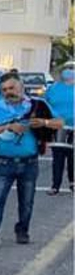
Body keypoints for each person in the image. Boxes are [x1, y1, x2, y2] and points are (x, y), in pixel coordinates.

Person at [0, 73, 60, 247]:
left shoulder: (37, 104)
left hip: (29, 162)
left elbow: (59, 122)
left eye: (12, 88)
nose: (8, 92)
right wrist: (9, 127)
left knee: (27, 201)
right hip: (3, 162)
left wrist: (43, 122)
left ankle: (22, 230)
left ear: (21, 87)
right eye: (4, 89)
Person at [47, 65, 75, 195]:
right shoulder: (54, 89)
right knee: (67, 157)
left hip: (59, 127)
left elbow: (45, 104)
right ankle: (68, 184)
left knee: (60, 158)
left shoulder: (52, 88)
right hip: (60, 127)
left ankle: (57, 186)